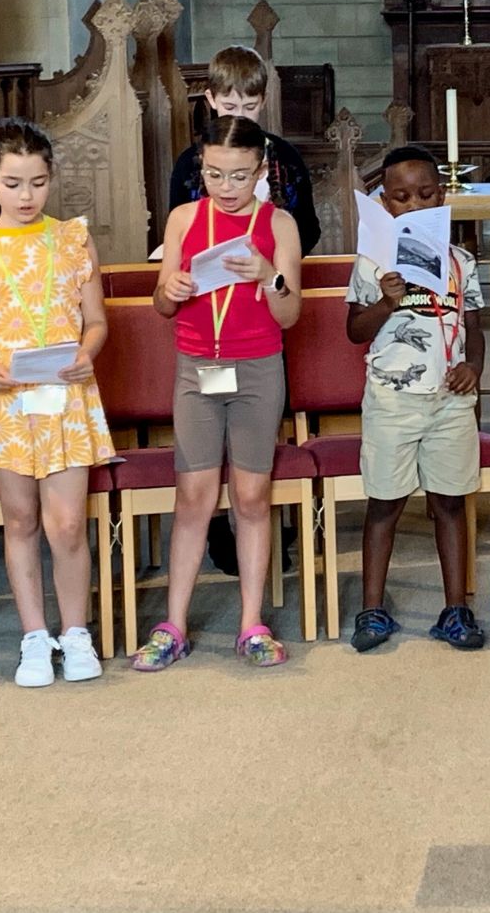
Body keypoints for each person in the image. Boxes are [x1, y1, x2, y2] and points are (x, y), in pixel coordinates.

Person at [132, 115, 303, 670]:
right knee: (194, 498)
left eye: (239, 177)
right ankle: (173, 625)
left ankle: (251, 623)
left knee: (251, 499)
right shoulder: (184, 219)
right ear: (200, 167)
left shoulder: (278, 224)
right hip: (197, 371)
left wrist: (266, 276)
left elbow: (290, 312)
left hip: (256, 371)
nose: (226, 189)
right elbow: (162, 304)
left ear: (261, 172)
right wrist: (170, 288)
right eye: (214, 175)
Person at [0, 120, 113, 687]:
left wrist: (89, 351)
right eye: (13, 183)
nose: (26, 196)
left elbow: (95, 321)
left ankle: (76, 632)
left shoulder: (72, 238)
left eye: (38, 183)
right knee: (19, 520)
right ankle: (34, 637)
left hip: (65, 393)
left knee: (66, 523)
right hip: (7, 397)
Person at [344, 147, 488, 653]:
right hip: (392, 401)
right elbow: (354, 332)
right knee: (385, 503)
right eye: (402, 197)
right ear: (385, 204)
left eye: (426, 194)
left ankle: (455, 608)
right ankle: (372, 609)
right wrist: (387, 300)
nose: (415, 204)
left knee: (449, 502)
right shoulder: (371, 264)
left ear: (441, 196)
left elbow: (474, 325)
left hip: (450, 400)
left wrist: (474, 368)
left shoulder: (460, 262)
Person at [169, 45, 321, 253]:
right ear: (211, 99)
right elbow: (179, 231)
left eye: (250, 107)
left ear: (263, 101)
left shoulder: (287, 158)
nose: (239, 117)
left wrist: (274, 263)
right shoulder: (188, 163)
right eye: (229, 107)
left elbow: (308, 230)